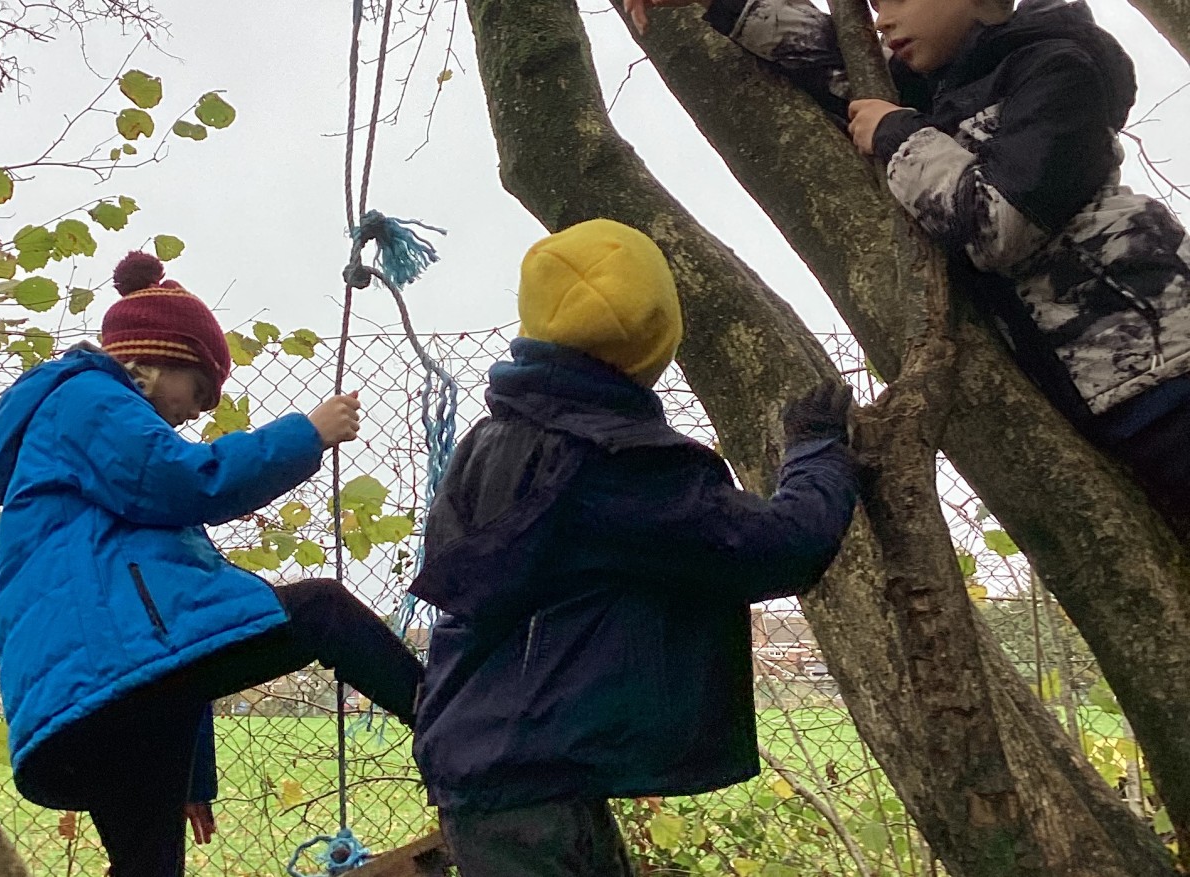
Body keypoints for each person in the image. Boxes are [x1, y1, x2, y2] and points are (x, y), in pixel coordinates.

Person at [409, 219, 860, 877]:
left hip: (489, 764)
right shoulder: (619, 467)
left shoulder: (489, 441)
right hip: (535, 784)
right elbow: (780, 547)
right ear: (657, 337)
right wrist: (817, 451)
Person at [624, 0, 1190, 522]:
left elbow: (1001, 224)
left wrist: (898, 135)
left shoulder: (1057, 69)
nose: (881, 20)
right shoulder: (943, 90)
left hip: (1169, 370)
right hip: (1108, 401)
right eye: (874, 5)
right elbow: (829, 54)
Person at [0, 251, 425, 877]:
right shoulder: (88, 399)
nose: (199, 410)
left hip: (102, 698)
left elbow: (174, 629)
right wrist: (308, 434)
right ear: (153, 361)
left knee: (149, 869)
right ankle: (453, 726)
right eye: (198, 389)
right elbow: (187, 481)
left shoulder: (77, 442)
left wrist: (190, 774)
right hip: (115, 681)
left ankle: (452, 728)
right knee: (322, 610)